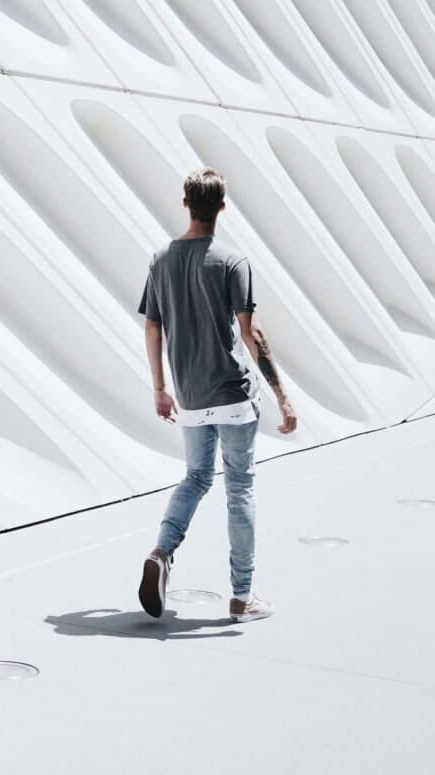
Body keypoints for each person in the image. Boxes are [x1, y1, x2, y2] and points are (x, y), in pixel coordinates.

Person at [136, 167, 298, 624]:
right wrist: (283, 397)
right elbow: (252, 334)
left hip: (189, 395)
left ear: (186, 203)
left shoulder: (161, 258)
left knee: (196, 477)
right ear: (222, 208)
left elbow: (153, 325)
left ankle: (162, 551)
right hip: (232, 392)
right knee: (240, 488)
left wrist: (161, 388)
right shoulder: (231, 261)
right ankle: (241, 596)